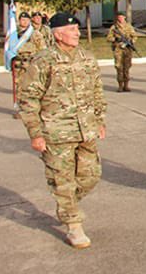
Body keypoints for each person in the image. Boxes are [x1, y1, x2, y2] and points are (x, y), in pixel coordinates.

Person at [17, 12, 106, 249]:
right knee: (63, 180)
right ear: (58, 35)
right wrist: (35, 133)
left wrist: (99, 120)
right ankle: (73, 226)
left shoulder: (87, 58)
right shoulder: (44, 60)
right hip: (56, 132)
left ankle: (66, 203)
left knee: (91, 176)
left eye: (77, 29)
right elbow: (29, 99)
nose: (77, 33)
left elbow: (97, 91)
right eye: (72, 30)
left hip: (86, 130)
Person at [10, 12, 47, 114]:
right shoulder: (14, 34)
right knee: (19, 87)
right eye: (22, 20)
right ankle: (20, 109)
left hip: (31, 63)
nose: (24, 22)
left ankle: (34, 108)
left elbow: (42, 49)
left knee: (33, 87)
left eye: (26, 20)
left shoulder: (34, 33)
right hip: (18, 64)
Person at [106, 12, 138, 92]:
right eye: (119, 17)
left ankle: (126, 86)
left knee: (127, 67)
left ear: (124, 17)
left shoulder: (129, 27)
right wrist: (116, 39)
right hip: (118, 49)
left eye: (122, 17)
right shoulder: (114, 28)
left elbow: (135, 36)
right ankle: (120, 85)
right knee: (119, 67)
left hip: (127, 50)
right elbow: (108, 38)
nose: (120, 18)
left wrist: (131, 41)